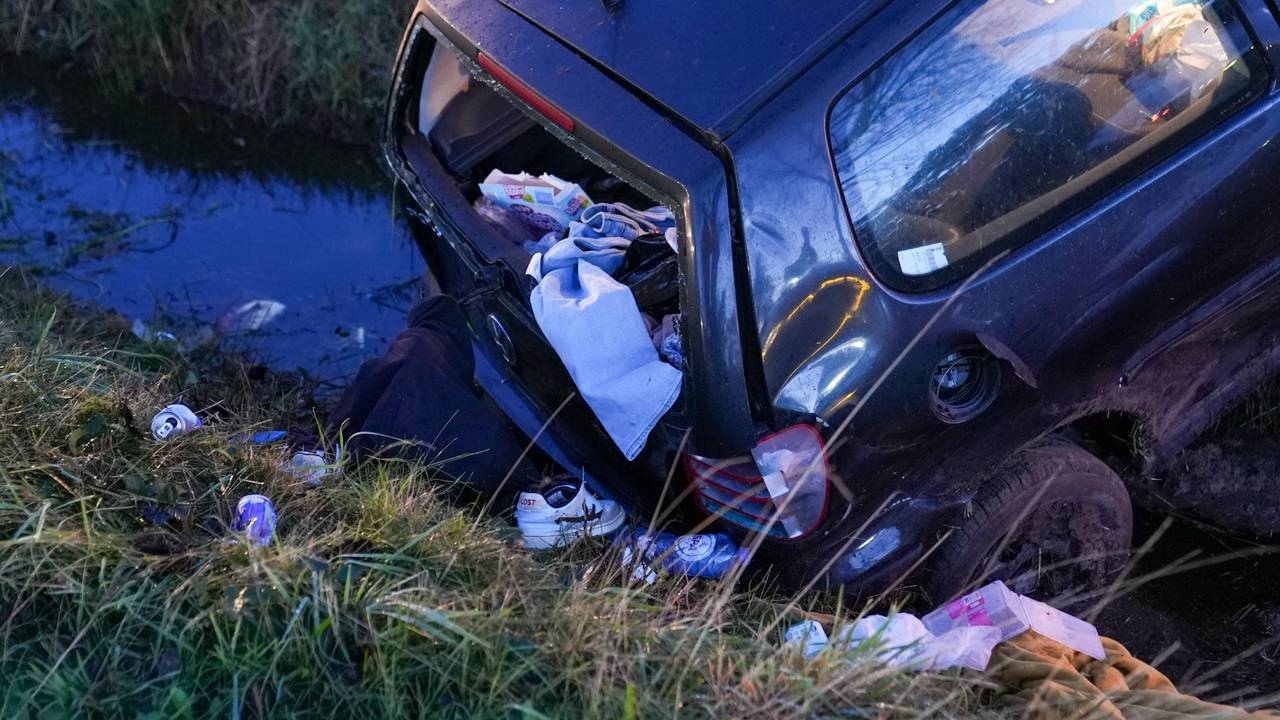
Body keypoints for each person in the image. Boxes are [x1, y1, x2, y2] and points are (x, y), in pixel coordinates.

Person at [302, 273, 624, 548]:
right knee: (422, 349)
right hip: (453, 443)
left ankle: (330, 452)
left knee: (424, 340)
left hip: (398, 422)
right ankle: (539, 502)